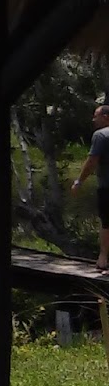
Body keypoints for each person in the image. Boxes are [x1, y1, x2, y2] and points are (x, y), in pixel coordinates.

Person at [68, 103, 109, 272]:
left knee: (106, 222)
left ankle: (103, 258)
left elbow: (92, 161)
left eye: (96, 116)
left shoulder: (101, 135)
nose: (93, 120)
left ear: (105, 117)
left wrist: (79, 181)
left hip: (107, 187)